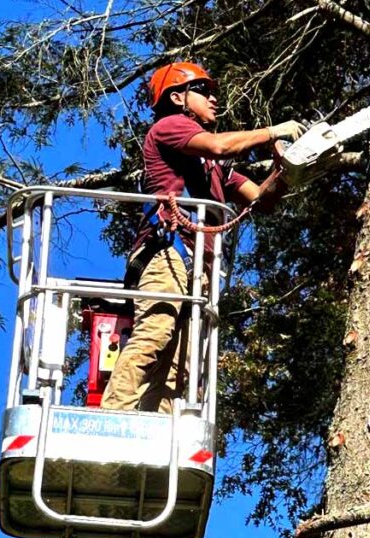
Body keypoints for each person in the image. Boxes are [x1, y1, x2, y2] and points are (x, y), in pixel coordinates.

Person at [101, 61, 305, 413]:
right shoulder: (170, 127)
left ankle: (158, 432)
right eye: (204, 92)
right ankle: (112, 415)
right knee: (156, 334)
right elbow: (219, 146)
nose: (214, 100)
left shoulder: (215, 170)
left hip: (198, 269)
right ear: (178, 97)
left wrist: (288, 171)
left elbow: (261, 199)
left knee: (180, 366)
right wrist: (273, 131)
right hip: (167, 252)